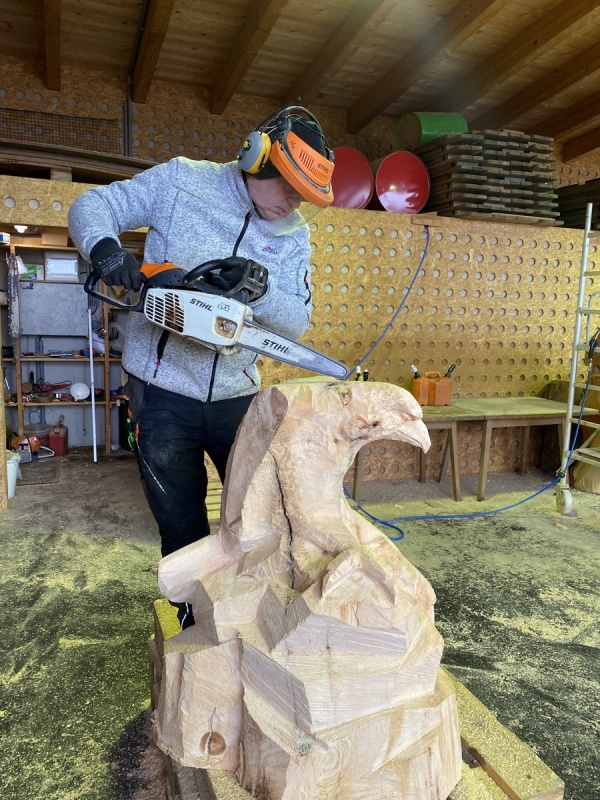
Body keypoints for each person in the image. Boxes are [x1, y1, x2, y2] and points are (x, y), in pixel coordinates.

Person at [68, 103, 335, 627]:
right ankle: (192, 616)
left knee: (260, 507)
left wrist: (257, 286)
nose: (292, 200)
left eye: (303, 194)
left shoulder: (293, 233)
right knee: (178, 514)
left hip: (237, 393)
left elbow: (297, 321)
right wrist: (106, 251)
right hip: (160, 391)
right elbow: (92, 204)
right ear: (255, 158)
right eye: (287, 186)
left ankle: (250, 609)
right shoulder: (181, 182)